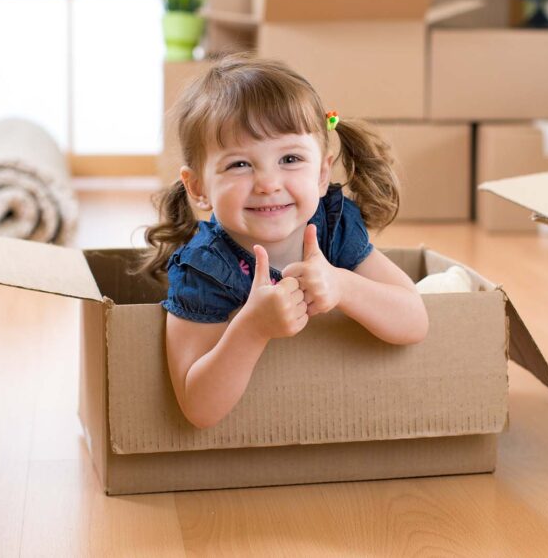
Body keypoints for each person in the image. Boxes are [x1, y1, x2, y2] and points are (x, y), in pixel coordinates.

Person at [138, 54, 429, 429]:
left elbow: (414, 320)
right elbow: (198, 408)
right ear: (198, 187)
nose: (268, 183)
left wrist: (342, 285)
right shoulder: (203, 270)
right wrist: (252, 328)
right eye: (239, 164)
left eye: (290, 158)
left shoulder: (333, 227)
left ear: (322, 174)